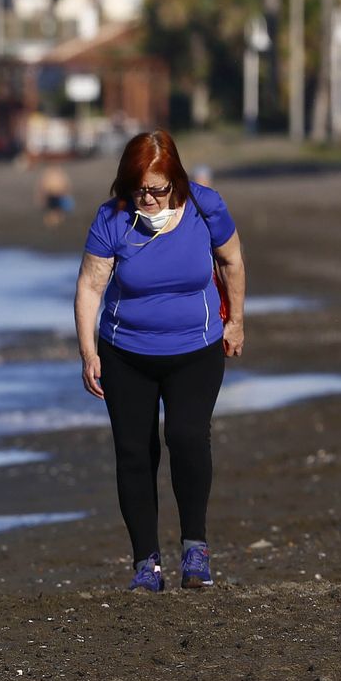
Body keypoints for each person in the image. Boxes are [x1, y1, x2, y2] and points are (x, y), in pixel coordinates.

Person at [74, 130, 245, 593]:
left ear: (177, 182)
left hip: (196, 348)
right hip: (124, 352)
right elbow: (91, 285)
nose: (147, 199)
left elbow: (231, 262)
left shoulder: (206, 207)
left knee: (187, 437)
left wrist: (237, 321)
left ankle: (196, 549)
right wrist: (89, 351)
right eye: (138, 190)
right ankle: (145, 562)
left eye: (157, 189)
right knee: (134, 452)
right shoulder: (113, 218)